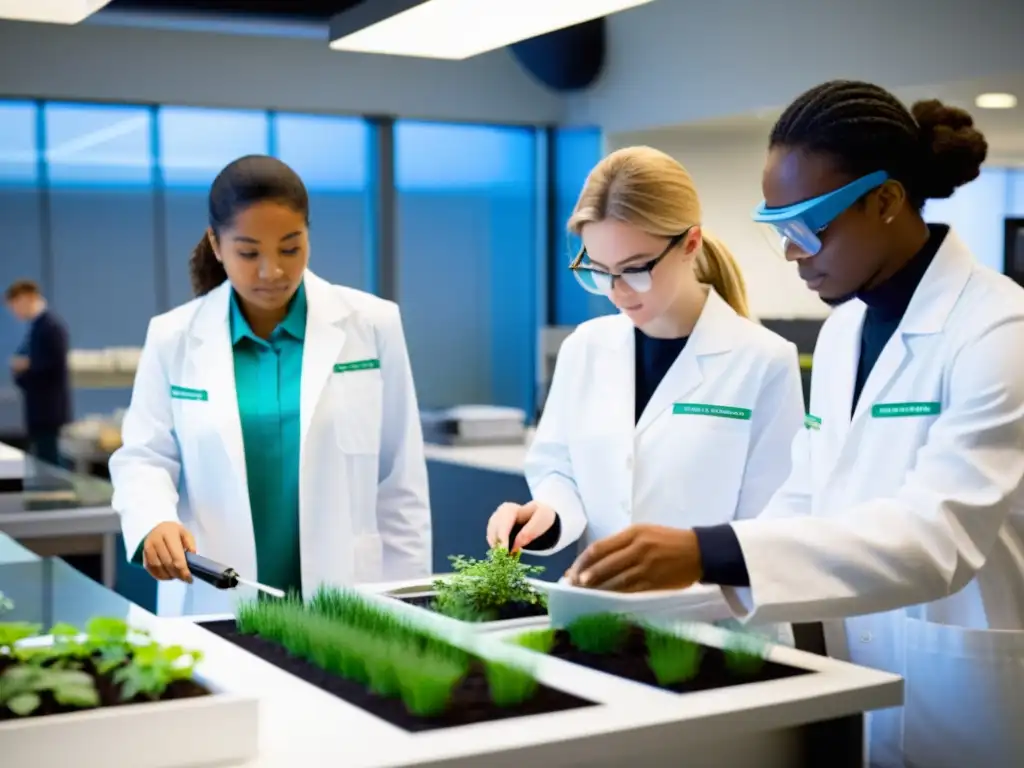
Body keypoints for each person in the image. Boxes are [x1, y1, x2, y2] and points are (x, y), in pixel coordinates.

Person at [565, 80, 1024, 767]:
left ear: (887, 201)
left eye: (807, 226)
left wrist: (708, 549)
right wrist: (692, 591)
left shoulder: (999, 330)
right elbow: (805, 498)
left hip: (965, 694)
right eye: (778, 228)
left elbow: (939, 538)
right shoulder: (842, 335)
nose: (790, 252)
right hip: (855, 677)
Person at [109, 155, 432, 616]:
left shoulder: (372, 324)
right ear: (216, 246)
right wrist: (154, 519)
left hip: (351, 589)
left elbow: (401, 479)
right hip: (215, 593)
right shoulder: (173, 335)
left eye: (289, 247)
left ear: (308, 237)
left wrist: (409, 602)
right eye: (248, 252)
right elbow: (144, 456)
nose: (271, 271)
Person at [487, 146, 805, 612]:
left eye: (635, 269)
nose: (616, 291)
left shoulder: (763, 360)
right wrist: (548, 518)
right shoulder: (585, 348)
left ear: (690, 244)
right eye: (598, 270)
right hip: (600, 617)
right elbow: (559, 469)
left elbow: (771, 527)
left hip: (713, 625)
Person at [5, 280, 70, 467]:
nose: (15, 312)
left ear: (26, 299)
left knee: (50, 460)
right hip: (39, 408)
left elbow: (49, 366)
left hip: (48, 408)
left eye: (15, 306)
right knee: (45, 456)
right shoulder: (37, 328)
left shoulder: (50, 327)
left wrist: (25, 366)